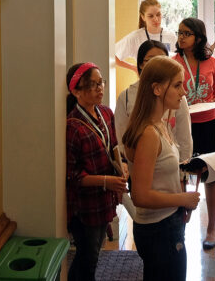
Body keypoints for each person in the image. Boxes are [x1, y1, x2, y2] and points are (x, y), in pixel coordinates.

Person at [122, 57, 201, 280]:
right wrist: (182, 200)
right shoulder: (149, 133)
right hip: (158, 228)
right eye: (177, 85)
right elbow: (140, 195)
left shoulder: (162, 125)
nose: (183, 92)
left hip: (168, 221)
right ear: (157, 89)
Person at [65, 62, 126, 281]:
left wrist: (122, 170)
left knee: (94, 252)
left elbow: (115, 148)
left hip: (105, 197)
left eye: (101, 83)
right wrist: (106, 181)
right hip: (85, 204)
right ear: (76, 91)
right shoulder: (72, 125)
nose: (100, 88)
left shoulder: (106, 113)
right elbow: (72, 177)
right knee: (87, 256)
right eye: (92, 85)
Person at [172, 17, 215, 250]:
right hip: (184, 126)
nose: (181, 37)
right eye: (179, 33)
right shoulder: (173, 63)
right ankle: (181, 227)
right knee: (184, 177)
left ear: (199, 37)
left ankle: (212, 229)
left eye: (186, 33)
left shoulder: (212, 62)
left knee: (211, 178)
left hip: (209, 123)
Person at [115, 39, 193, 163]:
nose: (158, 65)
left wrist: (183, 169)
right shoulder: (126, 97)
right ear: (140, 64)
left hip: (173, 164)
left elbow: (184, 137)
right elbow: (122, 137)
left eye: (163, 60)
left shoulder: (176, 96)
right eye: (151, 60)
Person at [114, 0, 176, 72]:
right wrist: (134, 68)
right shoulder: (135, 37)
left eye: (158, 14)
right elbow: (112, 56)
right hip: (145, 81)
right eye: (151, 16)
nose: (156, 19)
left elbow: (179, 59)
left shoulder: (171, 36)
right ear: (143, 17)